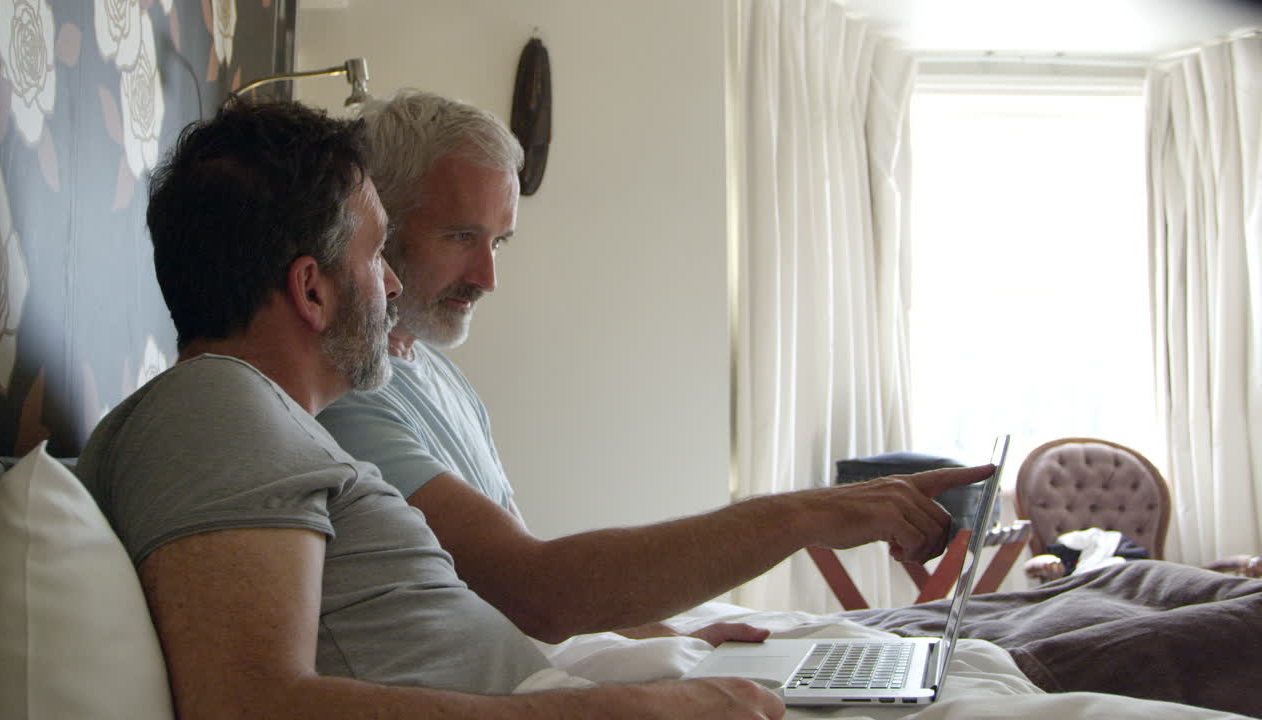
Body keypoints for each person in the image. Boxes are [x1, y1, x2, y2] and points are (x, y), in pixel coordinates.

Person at [76, 98, 785, 719]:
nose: (390, 283)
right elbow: (248, 705)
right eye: (378, 251)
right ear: (312, 291)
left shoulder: (264, 424)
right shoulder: (215, 408)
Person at [316, 89, 992, 645]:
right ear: (378, 222)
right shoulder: (346, 397)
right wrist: (805, 516)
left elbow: (531, 585)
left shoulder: (434, 372)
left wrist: (676, 639)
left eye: (499, 242)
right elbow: (537, 592)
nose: (489, 277)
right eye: (462, 237)